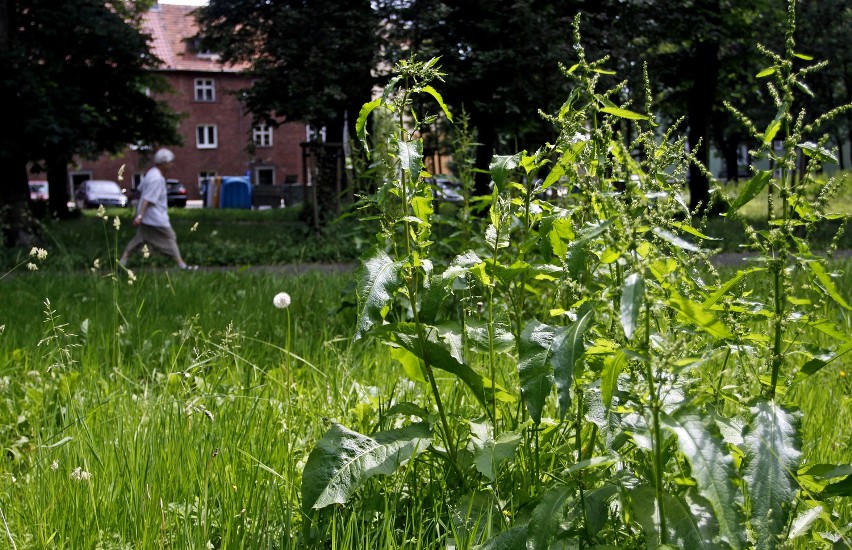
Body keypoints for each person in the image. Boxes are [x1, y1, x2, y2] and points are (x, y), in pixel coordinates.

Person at [119, 148, 196, 270]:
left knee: (140, 238)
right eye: (170, 162)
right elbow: (147, 199)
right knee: (170, 237)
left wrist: (140, 214)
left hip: (148, 217)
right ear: (163, 163)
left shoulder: (151, 173)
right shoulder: (156, 178)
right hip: (155, 217)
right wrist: (140, 216)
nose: (171, 165)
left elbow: (140, 190)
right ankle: (181, 265)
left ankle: (123, 261)